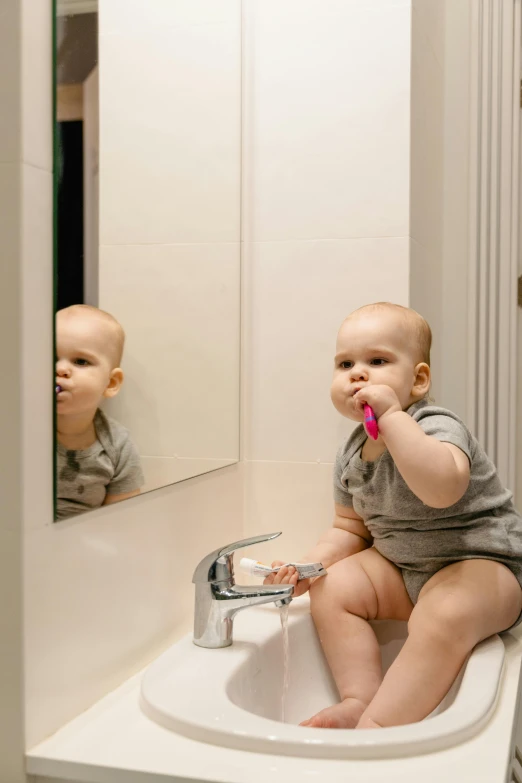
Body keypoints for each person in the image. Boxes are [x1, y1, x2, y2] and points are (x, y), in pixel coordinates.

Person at [264, 302, 522, 730]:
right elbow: (349, 528)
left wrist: (393, 419)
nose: (357, 373)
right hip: (404, 570)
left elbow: (442, 490)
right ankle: (358, 698)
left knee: (443, 612)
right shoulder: (351, 453)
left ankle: (380, 726)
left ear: (418, 379)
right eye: (345, 363)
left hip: (484, 567)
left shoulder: (436, 425)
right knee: (334, 588)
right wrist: (310, 568)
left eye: (377, 361)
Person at [55, 304, 144, 520]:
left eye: (80, 361)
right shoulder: (16, 434)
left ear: (111, 383)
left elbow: (122, 520)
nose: (60, 369)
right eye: (51, 357)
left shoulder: (117, 446)